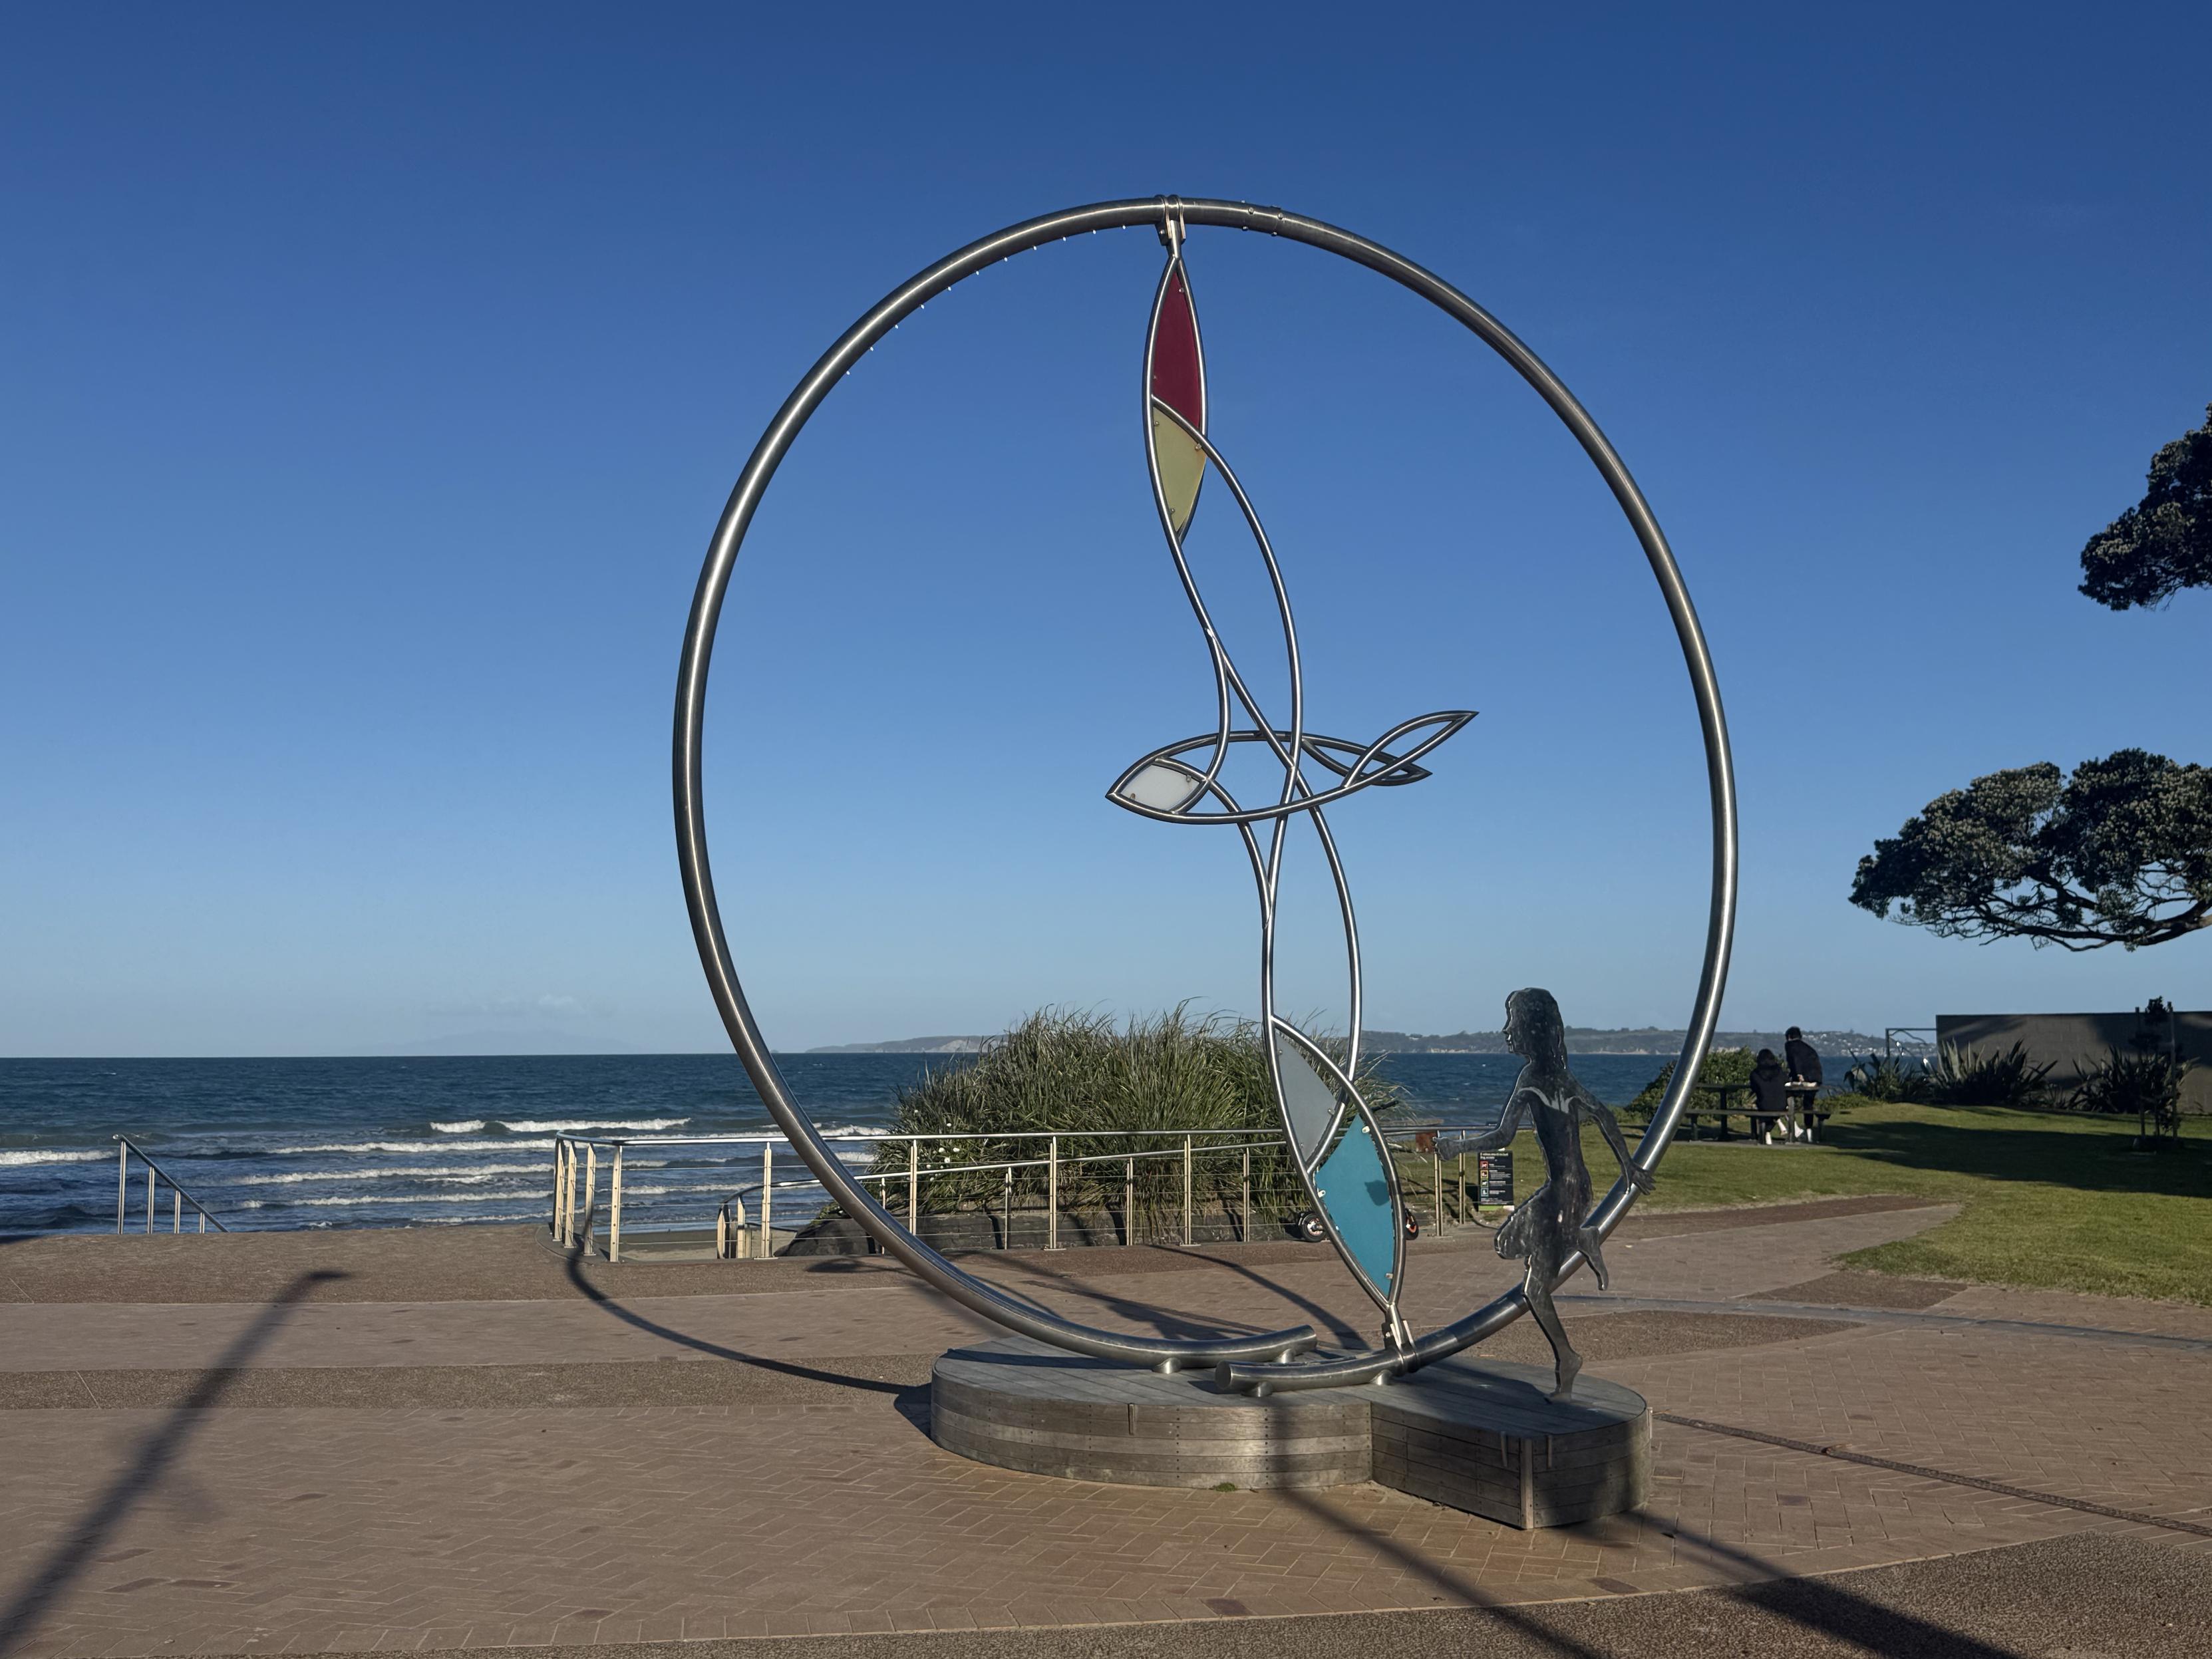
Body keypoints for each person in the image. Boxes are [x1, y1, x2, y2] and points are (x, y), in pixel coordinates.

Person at [1452, 988, 1653, 1402]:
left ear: (1532, 1029)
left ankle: (1567, 1359)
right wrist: (1626, 1166)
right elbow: (1605, 1114)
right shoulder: (1560, 1078)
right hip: (1572, 1189)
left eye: (1513, 1022)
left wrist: (1457, 1147)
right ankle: (1583, 1237)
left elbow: (1503, 1137)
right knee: (1508, 1242)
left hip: (1565, 1195)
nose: (1507, 1031)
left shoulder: (1535, 1080)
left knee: (1534, 1289)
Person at [1785, 1026, 1823, 1141]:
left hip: (1803, 1078)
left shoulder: (1790, 1045)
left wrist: (1799, 1075)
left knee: (1785, 1097)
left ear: (1789, 1037)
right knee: (1808, 1105)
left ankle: (1795, 1131)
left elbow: (1795, 1060)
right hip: (1816, 1079)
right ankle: (1809, 1136)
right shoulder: (1808, 1048)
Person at [1749, 1047, 1789, 1141]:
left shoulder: (1755, 1074)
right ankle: (1768, 1131)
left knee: (1764, 1106)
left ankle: (1766, 1133)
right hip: (1782, 1105)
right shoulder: (1779, 1071)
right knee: (1773, 1108)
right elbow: (1787, 1081)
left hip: (1764, 1105)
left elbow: (1754, 1089)